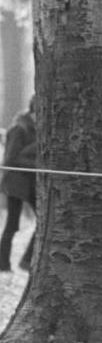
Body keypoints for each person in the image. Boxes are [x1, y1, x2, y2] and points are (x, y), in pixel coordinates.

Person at [0, 99, 37, 272]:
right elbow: (11, 160)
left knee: (43, 220)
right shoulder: (19, 128)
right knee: (12, 225)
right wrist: (36, 163)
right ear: (33, 112)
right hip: (15, 183)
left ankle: (27, 260)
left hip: (28, 183)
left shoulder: (33, 128)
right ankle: (2, 264)